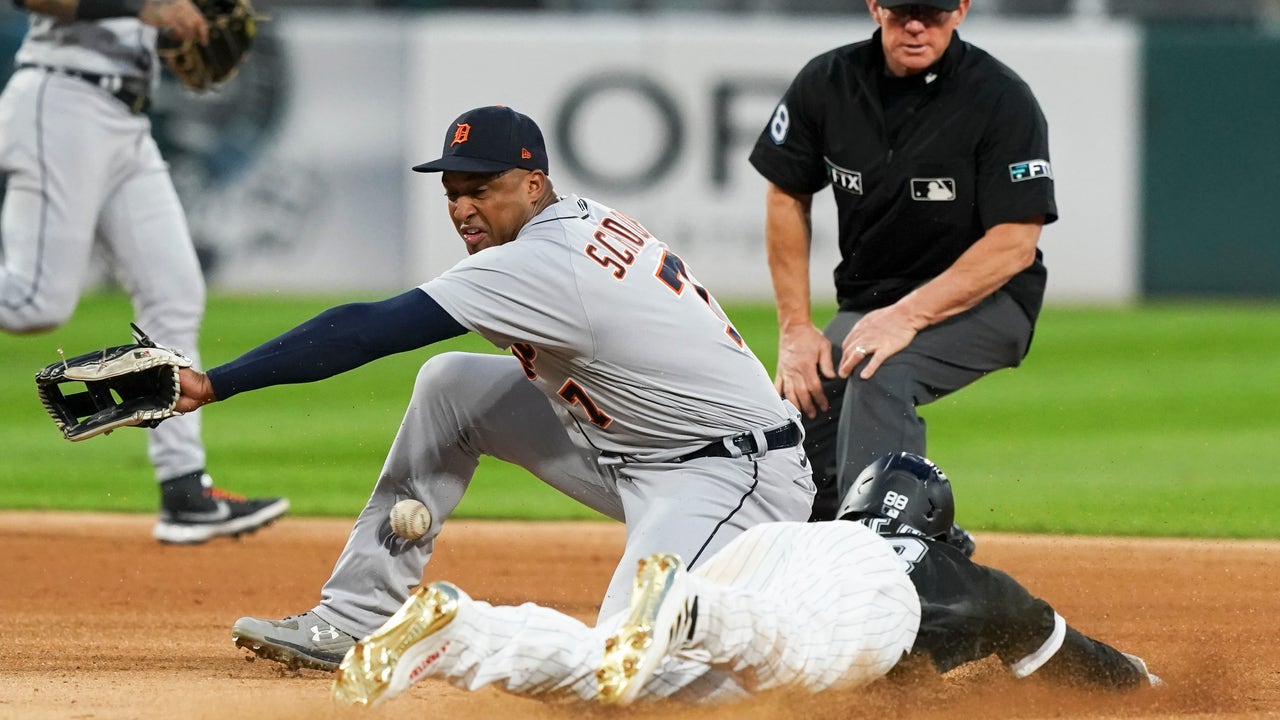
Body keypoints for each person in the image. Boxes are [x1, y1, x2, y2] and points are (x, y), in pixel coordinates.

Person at [172, 105, 816, 671]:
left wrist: (212, 383)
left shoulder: (542, 262)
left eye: (481, 189)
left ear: (533, 185)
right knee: (451, 384)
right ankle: (356, 616)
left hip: (732, 476)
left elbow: (368, 330)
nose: (461, 209)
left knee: (621, 665)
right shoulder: (575, 220)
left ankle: (802, 625)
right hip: (640, 450)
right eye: (451, 192)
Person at [328, 451, 1160, 707]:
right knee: (793, 652)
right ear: (940, 525)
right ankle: (685, 607)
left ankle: (464, 631)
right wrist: (1150, 686)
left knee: (622, 683)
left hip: (767, 554)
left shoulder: (825, 531)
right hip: (824, 595)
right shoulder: (958, 576)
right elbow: (1076, 659)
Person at [747, 0, 1059, 538]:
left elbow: (1015, 244)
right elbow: (786, 195)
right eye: (902, 11)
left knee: (879, 370)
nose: (916, 25)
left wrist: (908, 316)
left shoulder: (1000, 98)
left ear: (960, 10)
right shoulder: (829, 82)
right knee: (798, 405)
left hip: (991, 300)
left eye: (933, 12)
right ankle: (821, 544)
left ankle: (891, 553)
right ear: (875, 7)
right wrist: (796, 329)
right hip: (873, 302)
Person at [0, 0, 288, 544]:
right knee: (33, 303)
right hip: (61, 102)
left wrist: (175, 37)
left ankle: (185, 492)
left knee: (174, 294)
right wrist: (145, 7)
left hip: (126, 117)